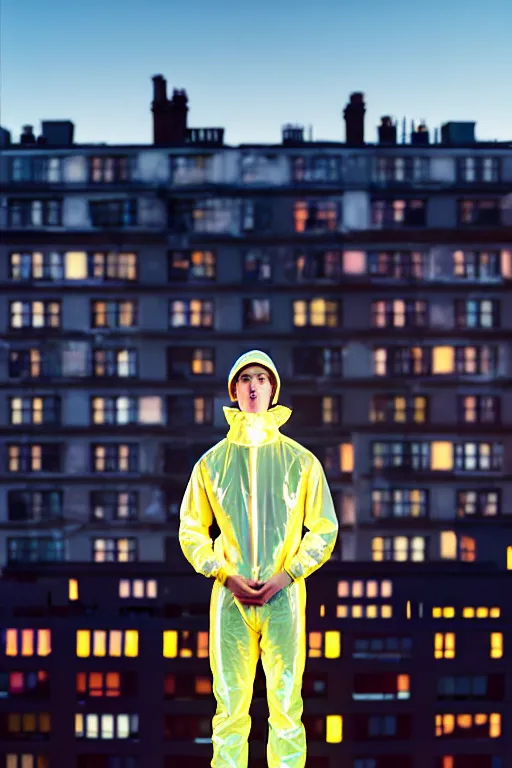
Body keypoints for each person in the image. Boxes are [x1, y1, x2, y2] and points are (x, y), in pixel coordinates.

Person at [179, 350, 339, 768]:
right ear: (234, 390)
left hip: (283, 599)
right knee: (230, 709)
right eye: (246, 378)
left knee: (286, 707)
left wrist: (288, 574)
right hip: (230, 602)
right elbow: (191, 528)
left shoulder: (301, 462)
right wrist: (224, 574)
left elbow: (324, 528)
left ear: (273, 390)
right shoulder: (212, 464)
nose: (253, 386)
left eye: (262, 379)